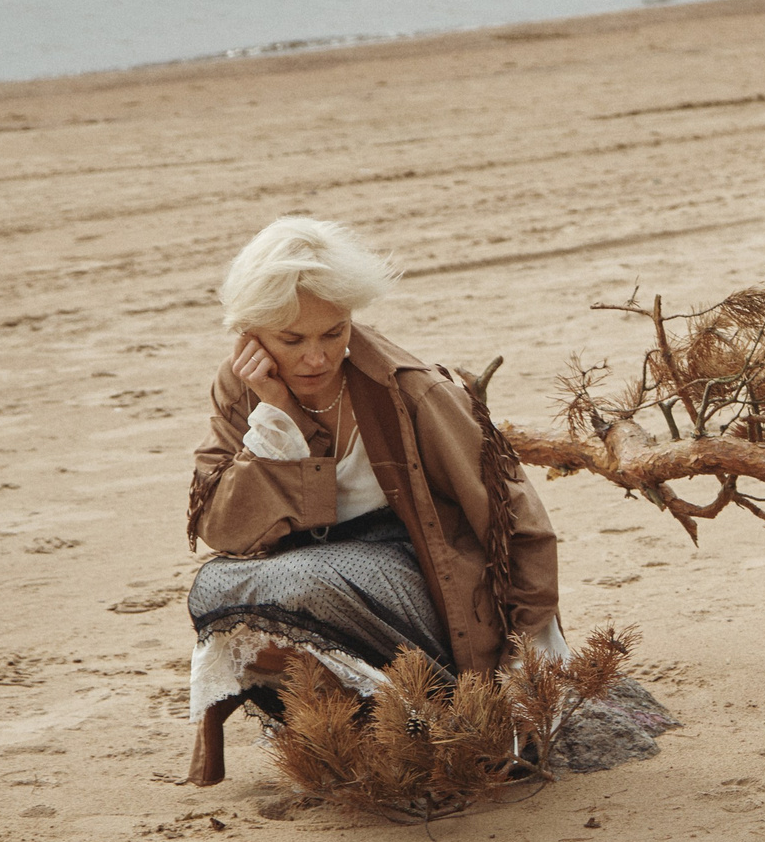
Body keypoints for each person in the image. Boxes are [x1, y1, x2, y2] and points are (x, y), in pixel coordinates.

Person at [181, 215, 563, 785]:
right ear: (251, 333)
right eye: (292, 340)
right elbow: (221, 529)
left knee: (301, 584)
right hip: (308, 569)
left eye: (333, 332)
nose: (317, 357)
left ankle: (418, 716)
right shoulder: (242, 385)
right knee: (214, 588)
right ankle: (350, 729)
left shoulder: (413, 391)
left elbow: (517, 523)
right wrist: (276, 419)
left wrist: (529, 660)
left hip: (420, 577)